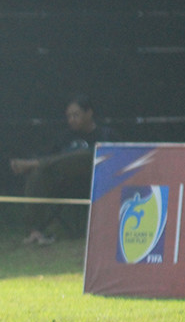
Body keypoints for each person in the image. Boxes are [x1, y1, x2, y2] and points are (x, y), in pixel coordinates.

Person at [9, 95, 116, 245]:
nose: (71, 119)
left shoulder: (105, 134)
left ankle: (35, 163)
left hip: (94, 183)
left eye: (76, 115)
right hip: (64, 184)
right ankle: (34, 231)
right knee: (37, 173)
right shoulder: (64, 137)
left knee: (89, 154)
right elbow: (50, 156)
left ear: (89, 113)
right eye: (69, 116)